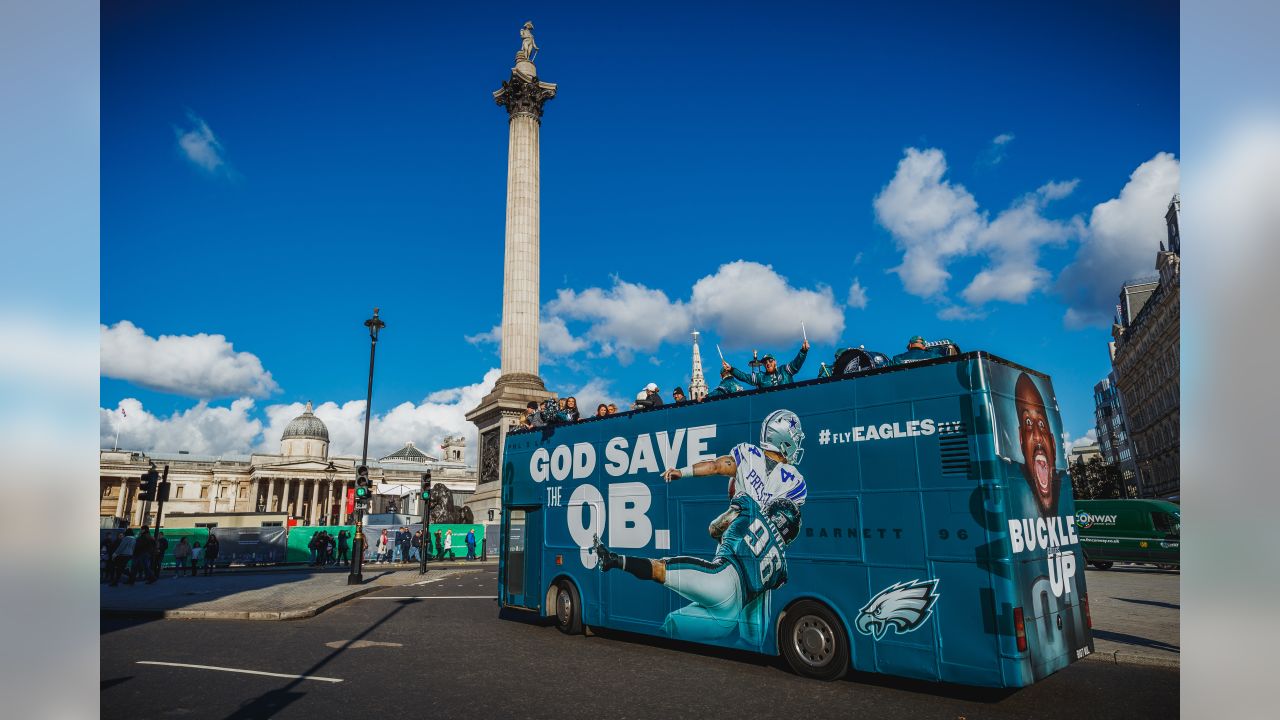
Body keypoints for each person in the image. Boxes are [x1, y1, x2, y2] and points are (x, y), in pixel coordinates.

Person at [592, 493, 801, 644]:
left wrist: (728, 535)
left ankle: (613, 560)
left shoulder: (751, 508)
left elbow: (714, 528)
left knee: (659, 569)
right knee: (673, 624)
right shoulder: (782, 569)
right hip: (729, 616)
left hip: (721, 579)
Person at [663, 409, 809, 512]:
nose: (796, 444)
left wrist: (682, 472)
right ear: (784, 440)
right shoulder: (794, 480)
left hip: (735, 541)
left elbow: (715, 466)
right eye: (795, 439)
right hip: (766, 550)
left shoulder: (749, 455)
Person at [1015, 372, 1061, 517]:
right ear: (1021, 441)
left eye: (1041, 424)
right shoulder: (1010, 480)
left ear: (1053, 443)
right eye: (1028, 422)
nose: (1037, 436)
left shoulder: (1065, 485)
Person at [729, 340, 809, 389]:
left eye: (770, 360)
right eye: (765, 362)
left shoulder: (784, 370)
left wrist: (803, 351)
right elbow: (744, 377)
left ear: (775, 362)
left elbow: (796, 365)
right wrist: (731, 369)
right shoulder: (760, 377)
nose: (768, 363)